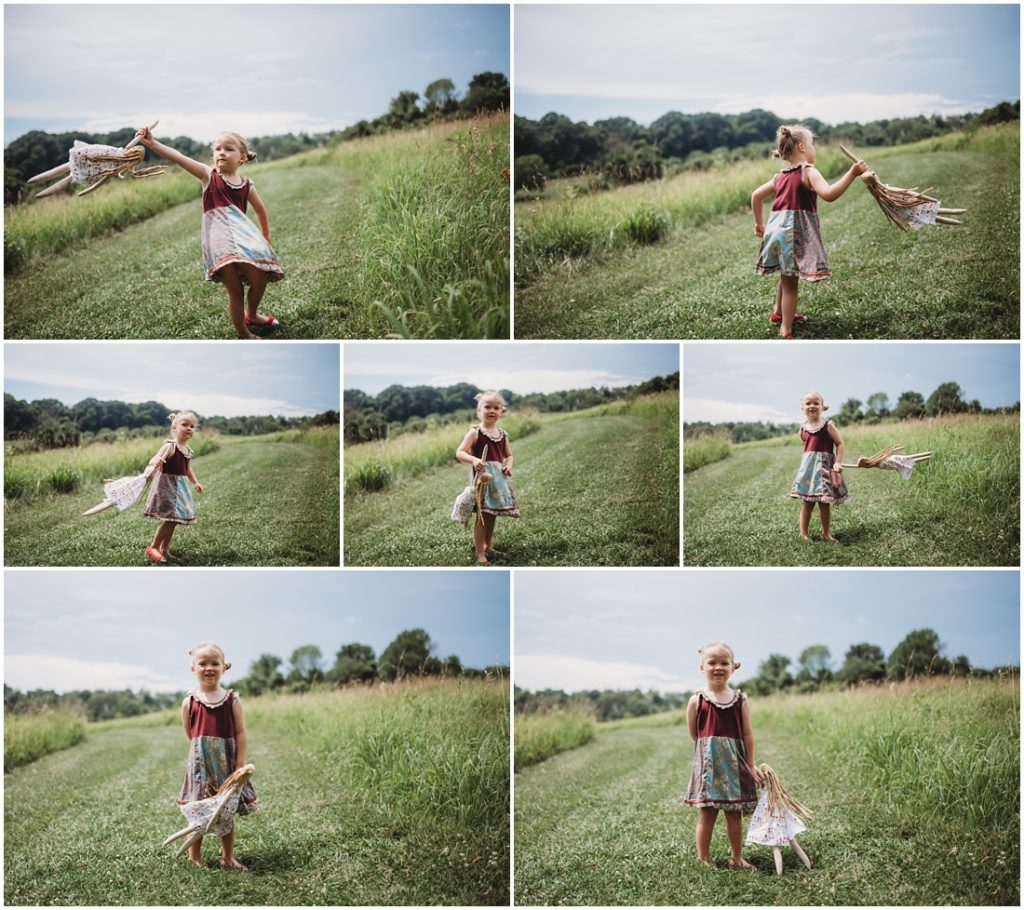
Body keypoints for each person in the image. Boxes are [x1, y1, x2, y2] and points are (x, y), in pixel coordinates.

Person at [135, 126, 283, 339]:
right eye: (217, 149)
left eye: (228, 149)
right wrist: (151, 143)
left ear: (242, 157)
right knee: (235, 291)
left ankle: (251, 314)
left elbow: (260, 209)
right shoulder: (208, 175)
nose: (221, 152)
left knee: (259, 279)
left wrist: (266, 235)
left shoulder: (247, 185)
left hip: (242, 240)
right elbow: (178, 157)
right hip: (219, 243)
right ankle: (244, 333)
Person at [752, 125, 867, 338]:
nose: (814, 149)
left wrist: (759, 224)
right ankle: (786, 328)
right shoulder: (809, 171)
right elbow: (829, 194)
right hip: (793, 235)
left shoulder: (779, 177)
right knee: (790, 286)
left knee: (787, 274)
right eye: (812, 144)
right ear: (803, 147)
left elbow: (756, 196)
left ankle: (778, 312)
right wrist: (852, 173)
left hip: (776, 232)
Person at [178, 643, 257, 870]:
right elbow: (191, 734)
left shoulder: (231, 700)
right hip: (200, 767)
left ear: (225, 667)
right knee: (198, 809)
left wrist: (239, 764)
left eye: (215, 663)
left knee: (225, 807)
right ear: (193, 668)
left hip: (226, 763)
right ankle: (195, 859)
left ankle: (228, 858)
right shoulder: (189, 702)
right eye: (203, 664)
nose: (209, 668)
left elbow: (241, 732)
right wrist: (202, 754)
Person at [685, 641, 762, 868]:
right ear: (702, 668)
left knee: (734, 815)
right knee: (707, 814)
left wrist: (750, 763)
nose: (718, 667)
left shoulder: (740, 700)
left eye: (724, 663)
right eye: (712, 663)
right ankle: (703, 859)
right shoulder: (697, 700)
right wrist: (709, 752)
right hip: (709, 766)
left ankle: (736, 858)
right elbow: (695, 734)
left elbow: (747, 734)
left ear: (733, 668)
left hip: (733, 766)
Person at [455, 390, 519, 565]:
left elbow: (509, 455)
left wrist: (508, 466)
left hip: (497, 481)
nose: (492, 410)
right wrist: (474, 459)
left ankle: (488, 545)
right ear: (479, 411)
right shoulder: (475, 433)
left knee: (492, 515)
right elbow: (459, 452)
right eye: (487, 407)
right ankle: (480, 553)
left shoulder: (502, 435)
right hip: (481, 481)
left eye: (496, 407)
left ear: (501, 412)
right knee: (482, 516)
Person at [143, 411, 203, 562]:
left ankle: (165, 549)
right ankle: (154, 547)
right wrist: (155, 462)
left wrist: (195, 482)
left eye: (192, 426)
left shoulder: (188, 450)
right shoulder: (170, 446)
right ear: (174, 427)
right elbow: (153, 459)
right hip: (167, 487)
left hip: (180, 488)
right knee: (171, 518)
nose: (189, 428)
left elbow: (187, 469)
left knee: (174, 519)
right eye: (184, 425)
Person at [790, 391, 847, 541]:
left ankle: (826, 534)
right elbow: (808, 450)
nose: (812, 406)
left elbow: (840, 444)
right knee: (807, 502)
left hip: (825, 470)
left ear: (823, 407)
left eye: (816, 403)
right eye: (808, 403)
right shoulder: (803, 429)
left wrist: (838, 462)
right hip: (809, 471)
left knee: (824, 503)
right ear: (802, 408)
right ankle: (803, 534)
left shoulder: (827, 426)